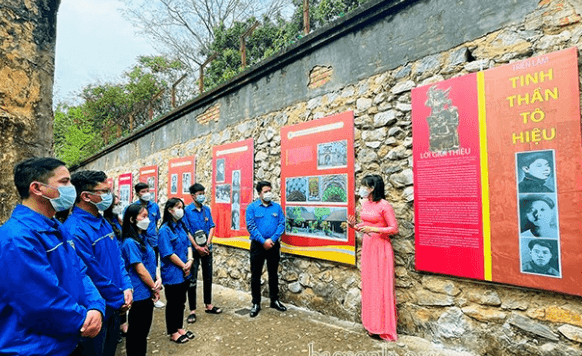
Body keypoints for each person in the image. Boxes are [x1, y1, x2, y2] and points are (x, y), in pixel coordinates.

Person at [0, 157, 105, 355]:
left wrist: (96, 306)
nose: (71, 188)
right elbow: (40, 303)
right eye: (64, 182)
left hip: (68, 341)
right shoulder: (17, 238)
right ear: (37, 188)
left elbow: (80, 270)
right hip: (36, 348)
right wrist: (84, 320)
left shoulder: (56, 227)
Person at [63, 171, 133, 356]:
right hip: (96, 309)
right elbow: (92, 274)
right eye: (104, 191)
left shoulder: (102, 222)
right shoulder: (75, 230)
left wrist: (126, 286)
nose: (109, 195)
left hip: (115, 305)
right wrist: (119, 299)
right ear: (86, 196)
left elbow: (118, 258)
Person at [348, 174, 399, 341]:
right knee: (370, 285)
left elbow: (393, 228)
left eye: (365, 186)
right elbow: (365, 227)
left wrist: (375, 229)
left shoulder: (385, 205)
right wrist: (353, 226)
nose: (361, 188)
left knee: (381, 286)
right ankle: (372, 325)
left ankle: (384, 327)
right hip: (368, 247)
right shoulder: (365, 204)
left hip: (381, 248)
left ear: (373, 188)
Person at [121, 205, 162, 356]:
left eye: (147, 216)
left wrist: (157, 277)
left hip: (148, 291)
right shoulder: (130, 243)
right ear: (132, 219)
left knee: (144, 331)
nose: (148, 220)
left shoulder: (144, 238)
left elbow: (151, 262)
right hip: (139, 293)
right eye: (143, 217)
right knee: (136, 333)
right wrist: (154, 287)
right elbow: (140, 269)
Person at [245, 181, 286, 318]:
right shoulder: (252, 208)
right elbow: (251, 226)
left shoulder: (277, 207)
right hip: (258, 245)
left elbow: (281, 224)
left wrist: (272, 240)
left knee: (273, 274)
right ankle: (256, 303)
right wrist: (263, 241)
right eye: (265, 191)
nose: (269, 193)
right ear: (259, 193)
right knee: (256, 275)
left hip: (273, 245)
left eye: (270, 190)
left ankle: (274, 300)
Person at [183, 183, 222, 324]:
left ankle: (208, 305)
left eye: (203, 193)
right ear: (192, 195)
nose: (202, 196)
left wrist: (208, 244)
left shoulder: (207, 210)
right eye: (199, 193)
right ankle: (192, 310)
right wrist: (196, 247)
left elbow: (212, 226)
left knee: (208, 277)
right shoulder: (186, 211)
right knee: (192, 280)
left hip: (207, 249)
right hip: (193, 251)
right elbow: (186, 231)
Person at [158, 198, 195, 343]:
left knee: (181, 301)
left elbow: (188, 245)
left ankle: (179, 327)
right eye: (178, 207)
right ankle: (173, 331)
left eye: (182, 207)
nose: (181, 210)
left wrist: (190, 261)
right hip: (173, 272)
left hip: (185, 270)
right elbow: (168, 253)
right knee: (173, 303)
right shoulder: (164, 230)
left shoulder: (181, 226)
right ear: (170, 209)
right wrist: (183, 265)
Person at [129, 182, 164, 308]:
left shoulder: (154, 206)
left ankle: (155, 293)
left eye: (147, 190)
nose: (146, 193)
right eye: (143, 191)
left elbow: (156, 222)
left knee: (152, 265)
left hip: (152, 242)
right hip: (139, 243)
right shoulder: (133, 208)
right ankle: (146, 292)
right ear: (137, 193)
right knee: (141, 268)